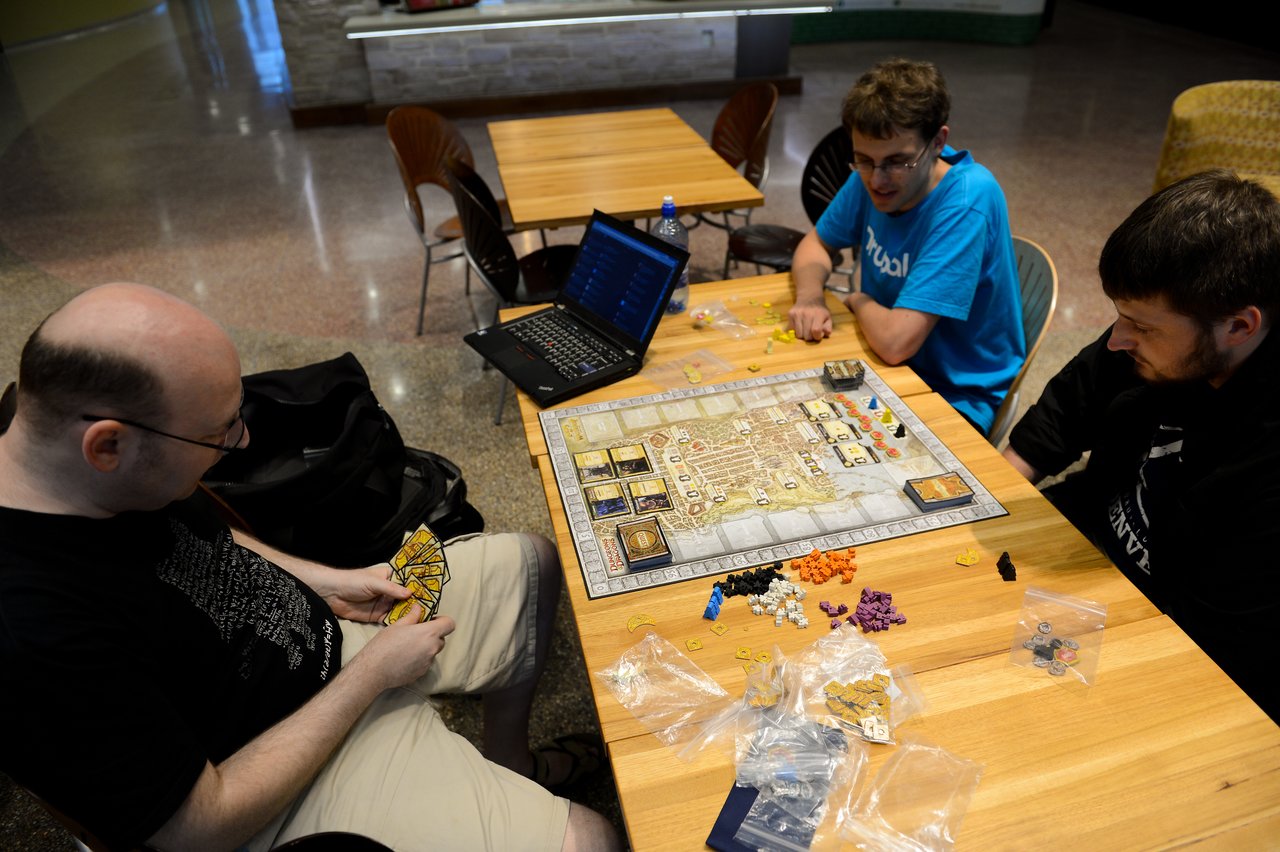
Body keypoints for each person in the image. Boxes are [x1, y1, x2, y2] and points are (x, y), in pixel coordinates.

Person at [0, 283, 621, 851]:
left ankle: (509, 767)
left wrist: (324, 582)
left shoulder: (77, 460)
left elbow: (217, 542)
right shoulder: (33, 631)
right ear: (108, 444)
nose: (240, 444)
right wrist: (371, 677)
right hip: (269, 772)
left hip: (329, 649)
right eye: (218, 435)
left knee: (529, 563)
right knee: (590, 839)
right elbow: (197, 826)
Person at [1003, 170, 1280, 721]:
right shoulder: (1170, 331)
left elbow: (1211, 654)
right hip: (1087, 547)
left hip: (1176, 640)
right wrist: (1001, 490)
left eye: (1142, 328)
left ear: (1239, 327)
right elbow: (1071, 403)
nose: (1117, 339)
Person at [787, 58, 1026, 434]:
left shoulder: (967, 200)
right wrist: (810, 298)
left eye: (897, 162)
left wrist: (857, 299)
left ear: (938, 142)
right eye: (864, 161)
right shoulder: (873, 175)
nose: (878, 180)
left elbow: (896, 343)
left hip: (952, 396)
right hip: (885, 369)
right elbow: (815, 244)